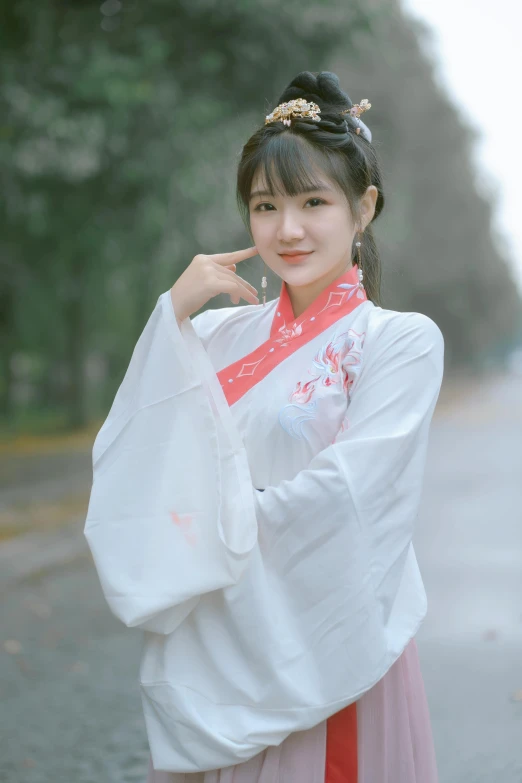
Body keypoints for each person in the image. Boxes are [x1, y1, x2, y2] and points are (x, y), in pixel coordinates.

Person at [84, 71, 443, 782]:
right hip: (216, 647)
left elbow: (351, 497)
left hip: (327, 640)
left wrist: (211, 543)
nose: (287, 228)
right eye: (265, 204)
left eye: (314, 201)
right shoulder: (214, 333)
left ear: (362, 206)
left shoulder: (399, 340)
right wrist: (171, 317)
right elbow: (148, 464)